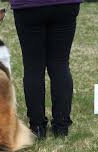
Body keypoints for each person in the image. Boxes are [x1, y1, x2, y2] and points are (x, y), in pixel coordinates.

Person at [10, 0, 82, 138]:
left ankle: (37, 126)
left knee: (33, 67)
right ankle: (61, 127)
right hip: (65, 6)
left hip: (28, 7)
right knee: (60, 64)